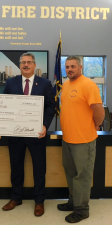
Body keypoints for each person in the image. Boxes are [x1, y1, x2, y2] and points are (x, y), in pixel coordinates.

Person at [2, 52, 55, 216]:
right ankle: (16, 197)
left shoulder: (45, 83)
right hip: (15, 134)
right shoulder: (10, 83)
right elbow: (4, 105)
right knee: (16, 166)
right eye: (23, 62)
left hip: (37, 133)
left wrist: (45, 125)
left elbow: (50, 106)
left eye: (29, 62)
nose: (25, 65)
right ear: (20, 65)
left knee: (39, 168)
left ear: (34, 65)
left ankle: (39, 201)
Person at [58, 56, 105, 223]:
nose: (69, 69)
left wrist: (96, 126)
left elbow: (99, 110)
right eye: (67, 67)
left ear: (80, 67)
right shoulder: (66, 85)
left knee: (82, 177)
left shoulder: (88, 85)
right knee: (71, 174)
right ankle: (73, 202)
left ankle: (82, 209)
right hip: (68, 139)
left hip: (83, 141)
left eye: (73, 66)